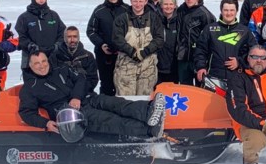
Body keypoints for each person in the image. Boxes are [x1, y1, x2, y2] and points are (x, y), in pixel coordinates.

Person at [18, 51, 166, 140]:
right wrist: (45, 123)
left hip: (87, 98)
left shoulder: (60, 69)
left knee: (117, 103)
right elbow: (26, 112)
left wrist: (76, 96)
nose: (42, 65)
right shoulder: (30, 87)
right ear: (30, 66)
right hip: (73, 114)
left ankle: (149, 111)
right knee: (111, 120)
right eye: (37, 63)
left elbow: (81, 79)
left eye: (43, 61)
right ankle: (148, 130)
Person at [112, 0, 165, 96]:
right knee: (124, 99)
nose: (138, 4)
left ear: (146, 2)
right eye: (135, 1)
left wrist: (144, 52)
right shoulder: (121, 19)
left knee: (145, 99)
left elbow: (159, 39)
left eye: (141, 1)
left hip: (147, 66)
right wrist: (132, 52)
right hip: (126, 65)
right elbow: (117, 39)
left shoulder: (154, 18)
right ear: (130, 1)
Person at [194, 0, 257, 84]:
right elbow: (200, 50)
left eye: (232, 10)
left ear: (236, 11)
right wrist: (201, 67)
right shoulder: (210, 29)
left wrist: (239, 62)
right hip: (213, 77)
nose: (229, 13)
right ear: (221, 10)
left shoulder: (244, 31)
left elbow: (254, 53)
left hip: (237, 78)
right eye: (226, 10)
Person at [86, 0, 130, 96]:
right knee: (106, 82)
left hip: (123, 53)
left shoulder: (127, 10)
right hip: (104, 53)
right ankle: (105, 105)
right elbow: (90, 31)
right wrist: (101, 44)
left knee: (122, 82)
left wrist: (125, 46)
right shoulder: (99, 10)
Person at [15, 0, 66, 72]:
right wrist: (30, 45)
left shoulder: (53, 15)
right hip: (31, 58)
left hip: (53, 57)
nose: (41, 0)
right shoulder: (24, 17)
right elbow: (18, 36)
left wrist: (57, 45)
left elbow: (63, 32)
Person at [175, 0, 216, 85]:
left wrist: (204, 60)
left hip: (197, 58)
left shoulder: (205, 14)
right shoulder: (180, 10)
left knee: (200, 88)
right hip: (183, 57)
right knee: (185, 88)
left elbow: (211, 39)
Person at [52, 26, 99, 95]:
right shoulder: (56, 55)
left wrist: (78, 92)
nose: (72, 40)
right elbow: (52, 78)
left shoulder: (88, 56)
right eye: (69, 37)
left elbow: (93, 80)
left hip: (84, 93)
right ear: (64, 38)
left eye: (75, 36)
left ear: (78, 38)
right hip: (61, 94)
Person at [156, 0, 181, 84]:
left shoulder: (180, 21)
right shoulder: (155, 19)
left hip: (174, 66)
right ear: (161, 5)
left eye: (171, 4)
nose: (168, 7)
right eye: (165, 4)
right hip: (158, 66)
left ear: (175, 6)